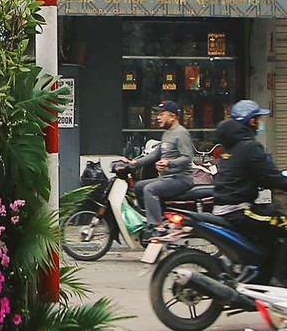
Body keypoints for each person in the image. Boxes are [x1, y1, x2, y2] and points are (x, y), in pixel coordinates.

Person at [213, 99, 287, 285]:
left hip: (225, 207)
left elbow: (257, 175)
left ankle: (262, 271)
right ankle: (278, 281)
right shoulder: (250, 147)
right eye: (258, 120)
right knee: (284, 223)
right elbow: (270, 175)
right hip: (239, 210)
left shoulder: (229, 147)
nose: (260, 124)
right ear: (251, 121)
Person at [123, 101, 195, 239]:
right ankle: (153, 217)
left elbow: (187, 157)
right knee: (138, 187)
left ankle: (158, 226)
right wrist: (135, 162)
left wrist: (169, 163)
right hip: (166, 178)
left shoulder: (181, 133)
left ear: (172, 116)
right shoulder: (167, 133)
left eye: (162, 114)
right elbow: (155, 154)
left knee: (150, 189)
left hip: (180, 179)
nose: (158, 117)